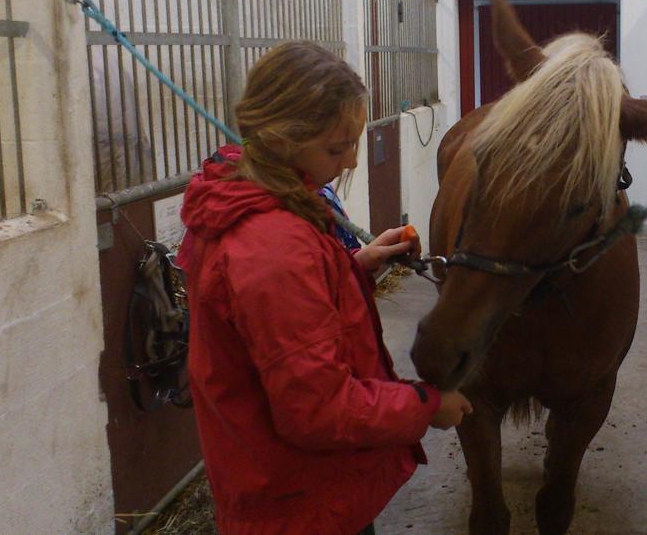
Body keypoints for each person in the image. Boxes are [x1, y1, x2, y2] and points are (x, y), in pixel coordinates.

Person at [179, 40, 471, 535]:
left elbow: (272, 319)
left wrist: (354, 268)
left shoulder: (252, 199)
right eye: (336, 148)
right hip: (299, 505)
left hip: (284, 485)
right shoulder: (272, 245)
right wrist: (424, 406)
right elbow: (318, 410)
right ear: (282, 138)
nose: (353, 161)